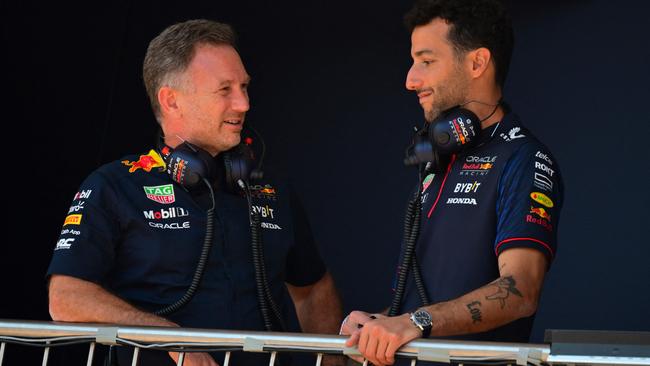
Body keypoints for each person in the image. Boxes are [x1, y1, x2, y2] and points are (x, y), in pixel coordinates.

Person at [47, 19, 342, 366]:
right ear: (171, 101)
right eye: (225, 90)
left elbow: (312, 290)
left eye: (245, 87)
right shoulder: (113, 185)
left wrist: (330, 361)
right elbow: (66, 297)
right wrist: (168, 339)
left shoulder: (270, 187)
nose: (244, 103)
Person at [341, 1, 563, 365]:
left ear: (477, 63)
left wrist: (414, 322)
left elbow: (520, 290)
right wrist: (377, 325)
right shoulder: (442, 155)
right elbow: (425, 302)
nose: (410, 79)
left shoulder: (522, 158)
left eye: (426, 61)